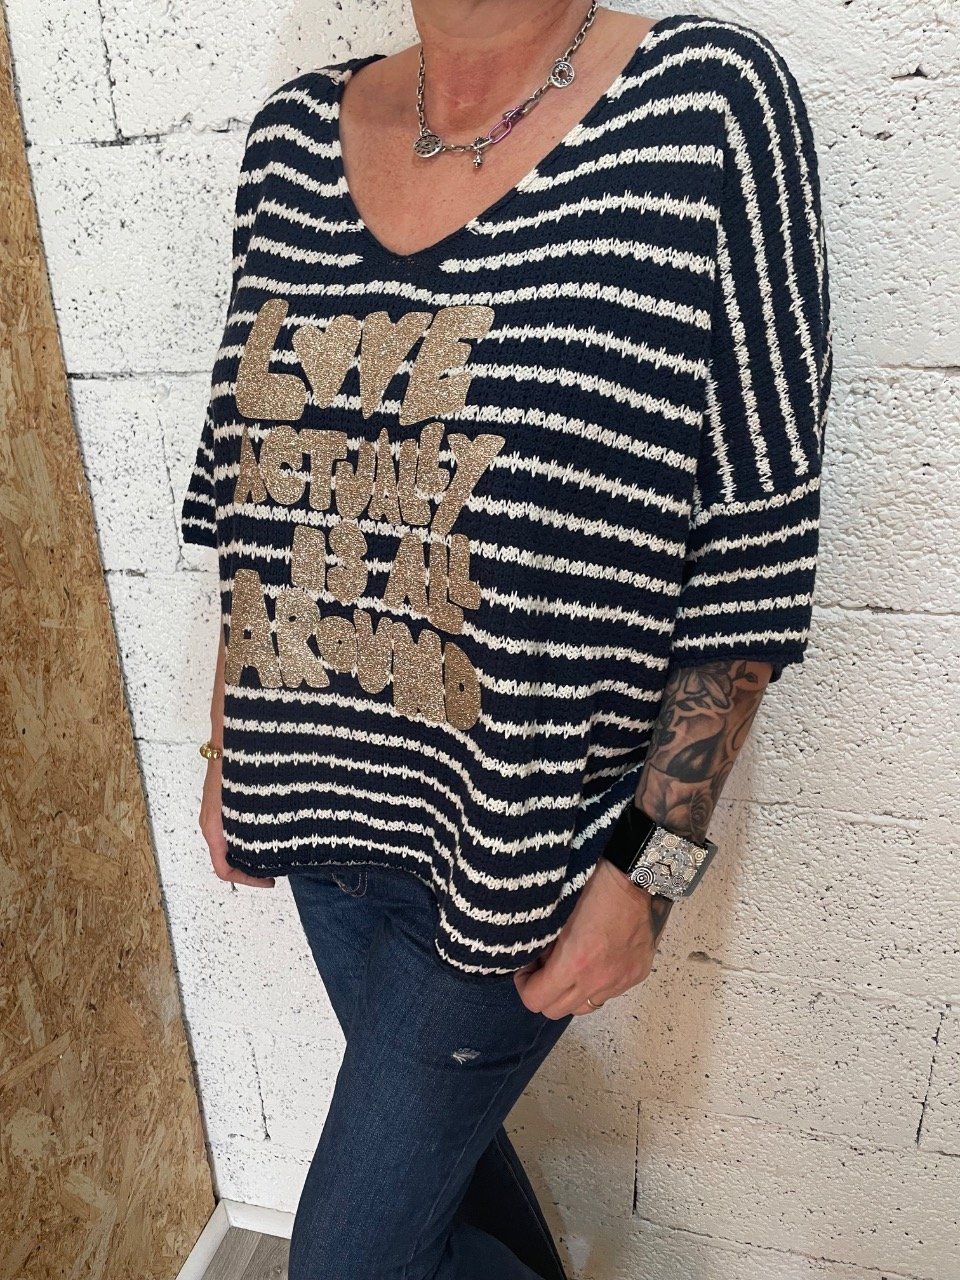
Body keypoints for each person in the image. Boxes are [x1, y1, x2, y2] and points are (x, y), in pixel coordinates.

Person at [181, 2, 831, 1275]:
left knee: (350, 1258)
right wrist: (227, 748)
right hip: (317, 816)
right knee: (441, 1191)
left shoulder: (705, 103)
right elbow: (247, 495)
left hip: (516, 849)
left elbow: (751, 552)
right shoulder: (291, 142)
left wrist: (649, 873)